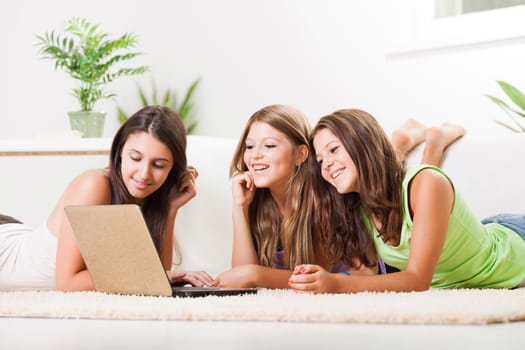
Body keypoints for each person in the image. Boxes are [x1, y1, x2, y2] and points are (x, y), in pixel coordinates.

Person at [215, 105, 457, 288]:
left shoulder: (321, 194)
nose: (255, 156)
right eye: (248, 146)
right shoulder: (254, 195)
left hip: (373, 272)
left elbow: (318, 274)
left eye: (269, 146)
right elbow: (240, 277)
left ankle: (430, 148)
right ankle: (400, 143)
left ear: (300, 155)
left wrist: (257, 274)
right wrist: (240, 207)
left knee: (403, 195)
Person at [288, 108, 525, 293]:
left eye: (333, 150)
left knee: (416, 186)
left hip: (513, 245)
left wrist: (337, 284)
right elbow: (367, 278)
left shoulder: (427, 182)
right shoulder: (352, 207)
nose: (326, 164)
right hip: (466, 242)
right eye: (319, 160)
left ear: (362, 143)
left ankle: (431, 142)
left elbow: (417, 279)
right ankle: (428, 141)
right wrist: (316, 279)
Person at [0, 106, 215, 291]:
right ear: (120, 150)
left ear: (173, 168)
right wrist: (153, 276)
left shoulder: (148, 197)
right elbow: (67, 283)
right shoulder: (94, 184)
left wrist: (170, 208)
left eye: (159, 165)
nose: (144, 174)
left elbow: (156, 273)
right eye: (135, 158)